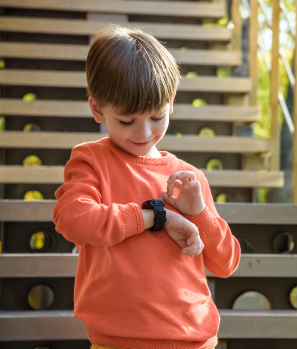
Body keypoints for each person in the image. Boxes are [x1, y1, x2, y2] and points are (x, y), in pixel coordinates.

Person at [52, 25, 241, 349]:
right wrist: (155, 216)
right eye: (127, 121)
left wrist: (199, 215)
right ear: (97, 108)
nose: (143, 132)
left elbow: (225, 262)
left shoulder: (187, 176)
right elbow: (73, 219)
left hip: (194, 338)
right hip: (118, 340)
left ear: (171, 104)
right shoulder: (92, 160)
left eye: (156, 117)